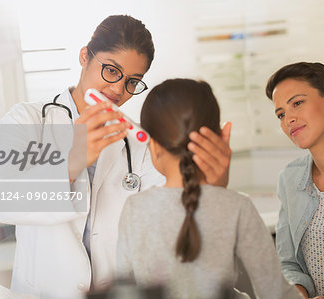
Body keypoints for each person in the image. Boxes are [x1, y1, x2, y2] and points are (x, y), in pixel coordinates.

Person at [0, 15, 231, 299]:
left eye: (132, 81)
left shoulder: (140, 143)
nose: (118, 89)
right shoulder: (28, 120)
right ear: (84, 56)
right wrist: (72, 160)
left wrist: (213, 186)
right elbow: (3, 203)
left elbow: (174, 216)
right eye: (111, 70)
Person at [116, 78, 302, 299]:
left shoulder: (135, 208)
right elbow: (275, 292)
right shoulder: (236, 207)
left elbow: (125, 291)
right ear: (216, 138)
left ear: (154, 146)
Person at [266, 62, 324, 299]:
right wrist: (299, 294)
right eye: (281, 114)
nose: (288, 119)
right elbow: (288, 264)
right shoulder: (290, 179)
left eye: (297, 103)